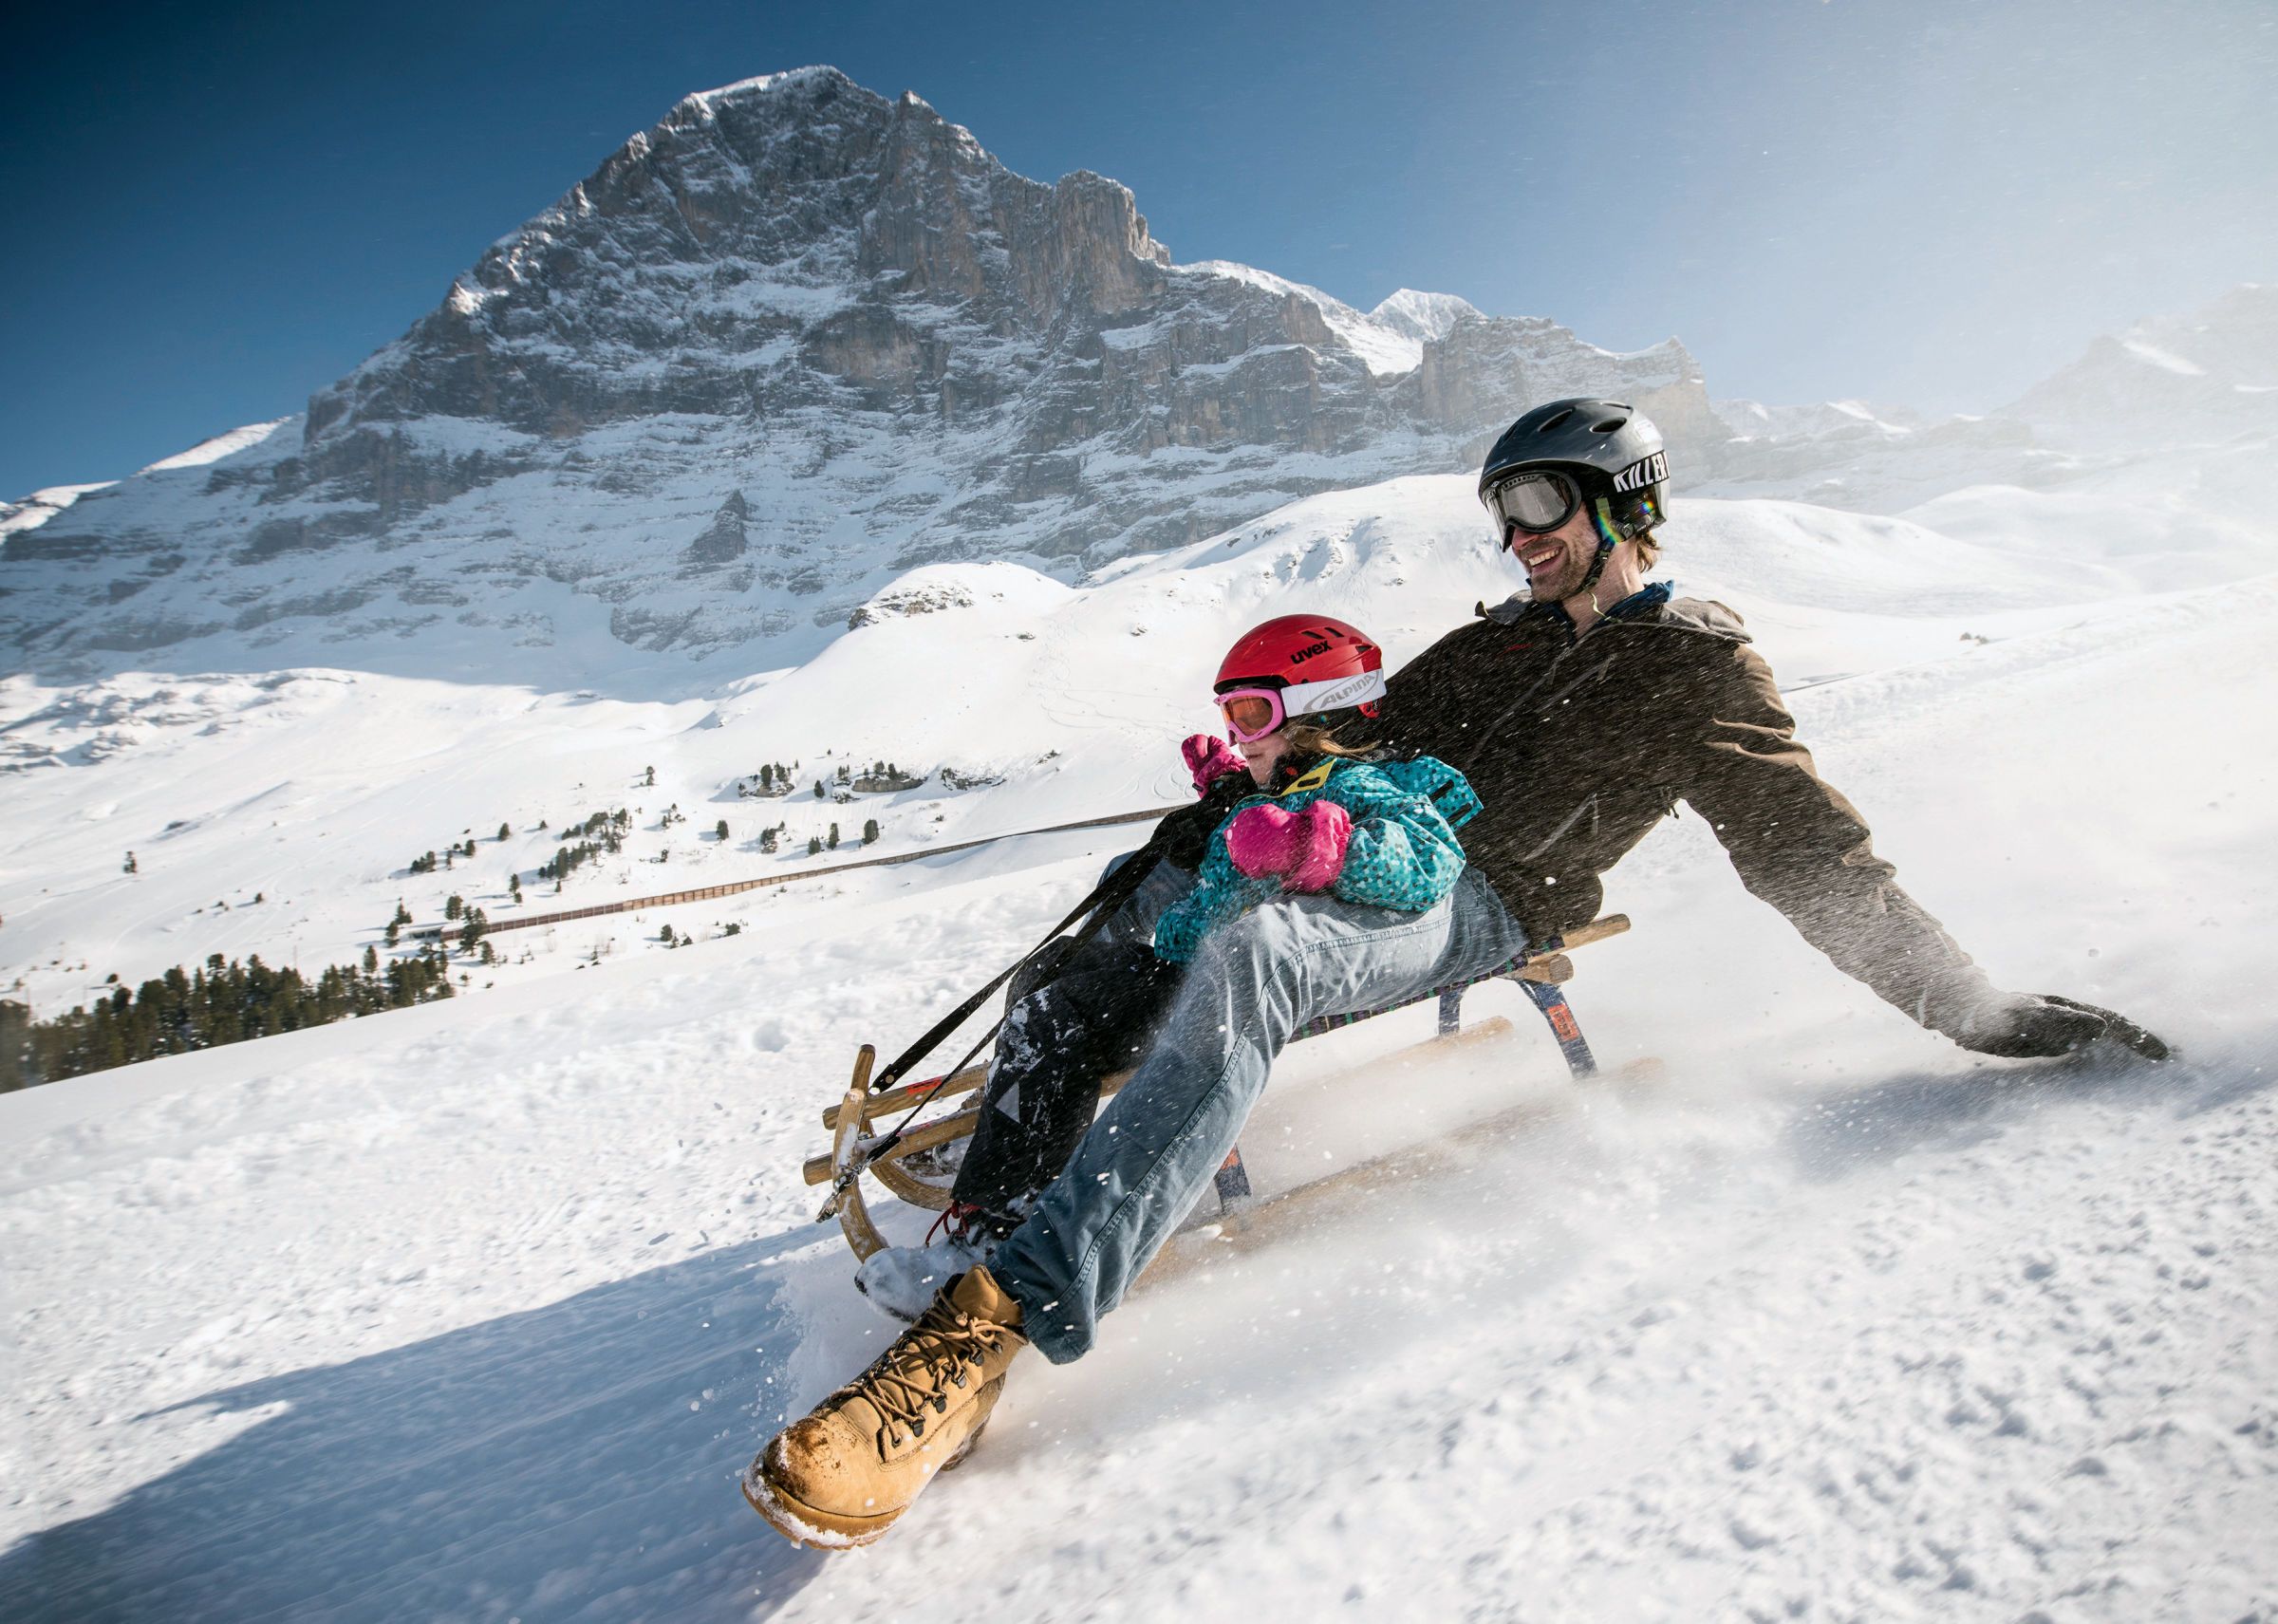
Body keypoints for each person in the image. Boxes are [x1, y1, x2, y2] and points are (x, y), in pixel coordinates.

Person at [745, 398, 2167, 1551]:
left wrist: (1972, 1010)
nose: (1518, 536)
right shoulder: (1492, 640)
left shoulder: (1701, 669)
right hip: (1356, 841)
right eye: (1504, 512)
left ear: (1622, 504)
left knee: (1253, 951)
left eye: (1541, 504)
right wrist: (1229, 804)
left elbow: (1814, 857)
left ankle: (985, 1334)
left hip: (1480, 898)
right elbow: (1352, 734)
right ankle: (980, 1233)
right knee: (1078, 977)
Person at [743, 615, 1482, 1547]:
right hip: (1190, 959)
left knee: (1086, 1001)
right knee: (1051, 994)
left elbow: (1428, 862)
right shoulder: (1262, 785)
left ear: (1320, 714)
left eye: (1254, 713)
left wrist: (1319, 847)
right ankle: (987, 1220)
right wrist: (1215, 807)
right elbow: (1218, 879)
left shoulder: (1374, 784)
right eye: (1232, 714)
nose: (1242, 731)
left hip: (1271, 968)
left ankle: (1013, 1293)